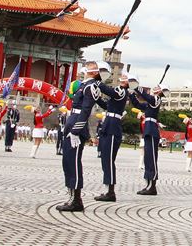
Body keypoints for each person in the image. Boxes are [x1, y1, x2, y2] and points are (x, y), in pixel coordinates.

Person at [56, 62, 117, 211]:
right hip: (72, 121)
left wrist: (76, 131)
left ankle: (77, 200)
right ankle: (71, 196)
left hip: (77, 124)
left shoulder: (91, 86)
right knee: (67, 162)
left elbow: (86, 110)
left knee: (74, 163)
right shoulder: (85, 85)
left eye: (91, 66)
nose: (87, 66)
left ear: (95, 72)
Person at [94, 64, 133, 202]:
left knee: (109, 160)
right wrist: (97, 98)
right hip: (108, 125)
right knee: (105, 159)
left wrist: (97, 81)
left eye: (126, 78)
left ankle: (111, 192)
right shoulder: (118, 92)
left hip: (112, 127)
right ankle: (108, 189)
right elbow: (107, 106)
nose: (123, 78)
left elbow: (110, 91)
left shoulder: (122, 91)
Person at [129, 80, 169, 196]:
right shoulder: (150, 102)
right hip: (148, 130)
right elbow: (138, 105)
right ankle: (148, 184)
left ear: (160, 91)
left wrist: (136, 87)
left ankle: (152, 185)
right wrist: (131, 94)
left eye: (157, 87)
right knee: (147, 158)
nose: (154, 87)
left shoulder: (156, 99)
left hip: (152, 130)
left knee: (151, 158)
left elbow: (146, 96)